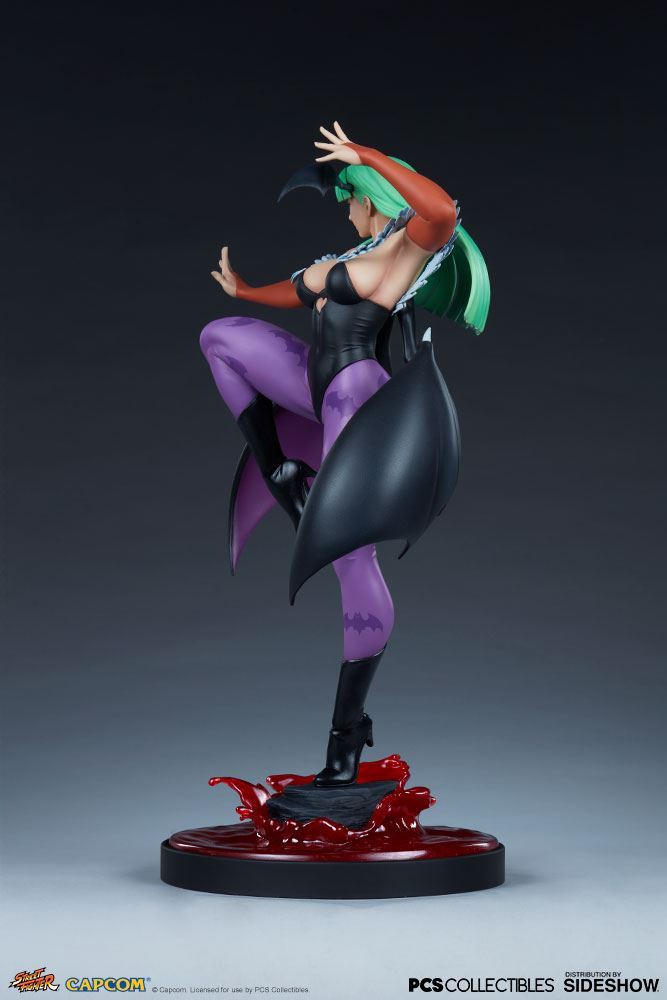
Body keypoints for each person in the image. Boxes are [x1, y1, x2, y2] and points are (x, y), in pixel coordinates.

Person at [200, 121, 490, 787]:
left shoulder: (408, 247)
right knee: (220, 338)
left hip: (352, 390)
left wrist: (367, 155)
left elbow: (442, 210)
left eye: (348, 198)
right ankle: (281, 472)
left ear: (370, 195)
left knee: (350, 560)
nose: (345, 210)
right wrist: (245, 293)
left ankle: (346, 737)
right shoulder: (361, 249)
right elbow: (299, 290)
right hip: (312, 379)